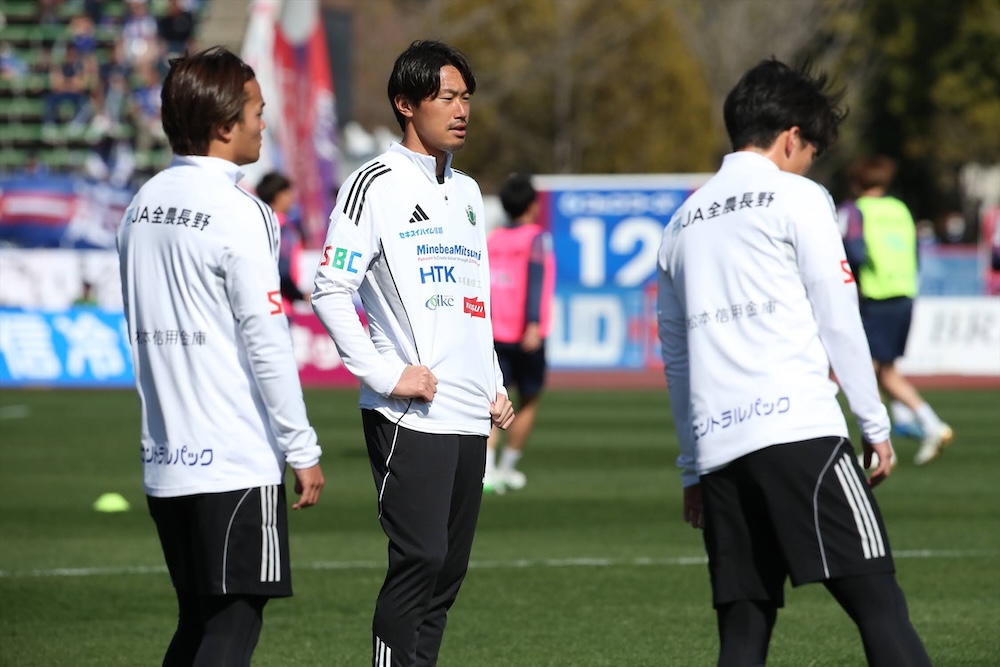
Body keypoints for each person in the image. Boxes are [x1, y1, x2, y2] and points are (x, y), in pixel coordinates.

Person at [656, 59, 933, 667]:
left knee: (744, 634)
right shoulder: (800, 197)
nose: (809, 163)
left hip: (720, 451)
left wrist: (692, 469)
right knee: (881, 607)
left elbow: (676, 359)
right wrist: (875, 423)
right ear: (790, 138)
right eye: (810, 150)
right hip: (800, 434)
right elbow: (839, 314)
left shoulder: (679, 225)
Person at [117, 46, 325, 667]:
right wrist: (301, 446)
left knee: (197, 622)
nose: (264, 123)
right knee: (232, 627)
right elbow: (266, 338)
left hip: (166, 459)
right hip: (234, 458)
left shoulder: (140, 205)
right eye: (257, 111)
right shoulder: (242, 212)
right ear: (224, 125)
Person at [311, 40, 514, 667]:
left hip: (468, 414)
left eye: (466, 98)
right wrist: (387, 374)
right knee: (418, 559)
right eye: (446, 97)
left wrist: (494, 383)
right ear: (406, 103)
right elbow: (330, 288)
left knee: (445, 575)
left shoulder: (470, 192)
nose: (461, 110)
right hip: (409, 413)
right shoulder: (373, 183)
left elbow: (473, 300)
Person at [838, 155, 953, 465]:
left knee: (866, 371)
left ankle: (887, 439)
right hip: (904, 293)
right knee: (884, 371)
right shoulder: (900, 209)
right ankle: (920, 423)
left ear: (856, 183)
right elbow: (915, 252)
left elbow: (853, 252)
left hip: (874, 295)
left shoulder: (854, 210)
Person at [483, 173, 555, 493]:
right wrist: (534, 324)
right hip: (525, 332)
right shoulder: (537, 238)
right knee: (528, 399)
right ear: (531, 206)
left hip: (493, 331)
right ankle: (507, 467)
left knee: (494, 399)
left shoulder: (492, 239)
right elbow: (536, 279)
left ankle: (486, 470)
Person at [255, 171, 310, 313]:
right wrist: (300, 295)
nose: (292, 199)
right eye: (288, 194)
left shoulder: (257, 223)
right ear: (278, 196)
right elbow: (282, 271)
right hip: (279, 305)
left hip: (261, 302)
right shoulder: (282, 227)